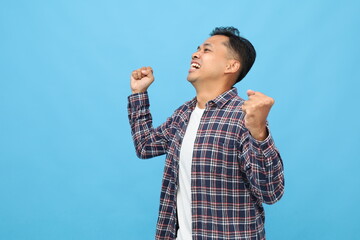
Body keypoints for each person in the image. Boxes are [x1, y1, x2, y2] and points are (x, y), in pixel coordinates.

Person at [128, 26, 284, 240]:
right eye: (197, 49)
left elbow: (271, 192)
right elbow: (145, 146)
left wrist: (259, 132)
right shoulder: (184, 114)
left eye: (207, 50)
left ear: (231, 65)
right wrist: (139, 94)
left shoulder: (244, 117)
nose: (195, 53)